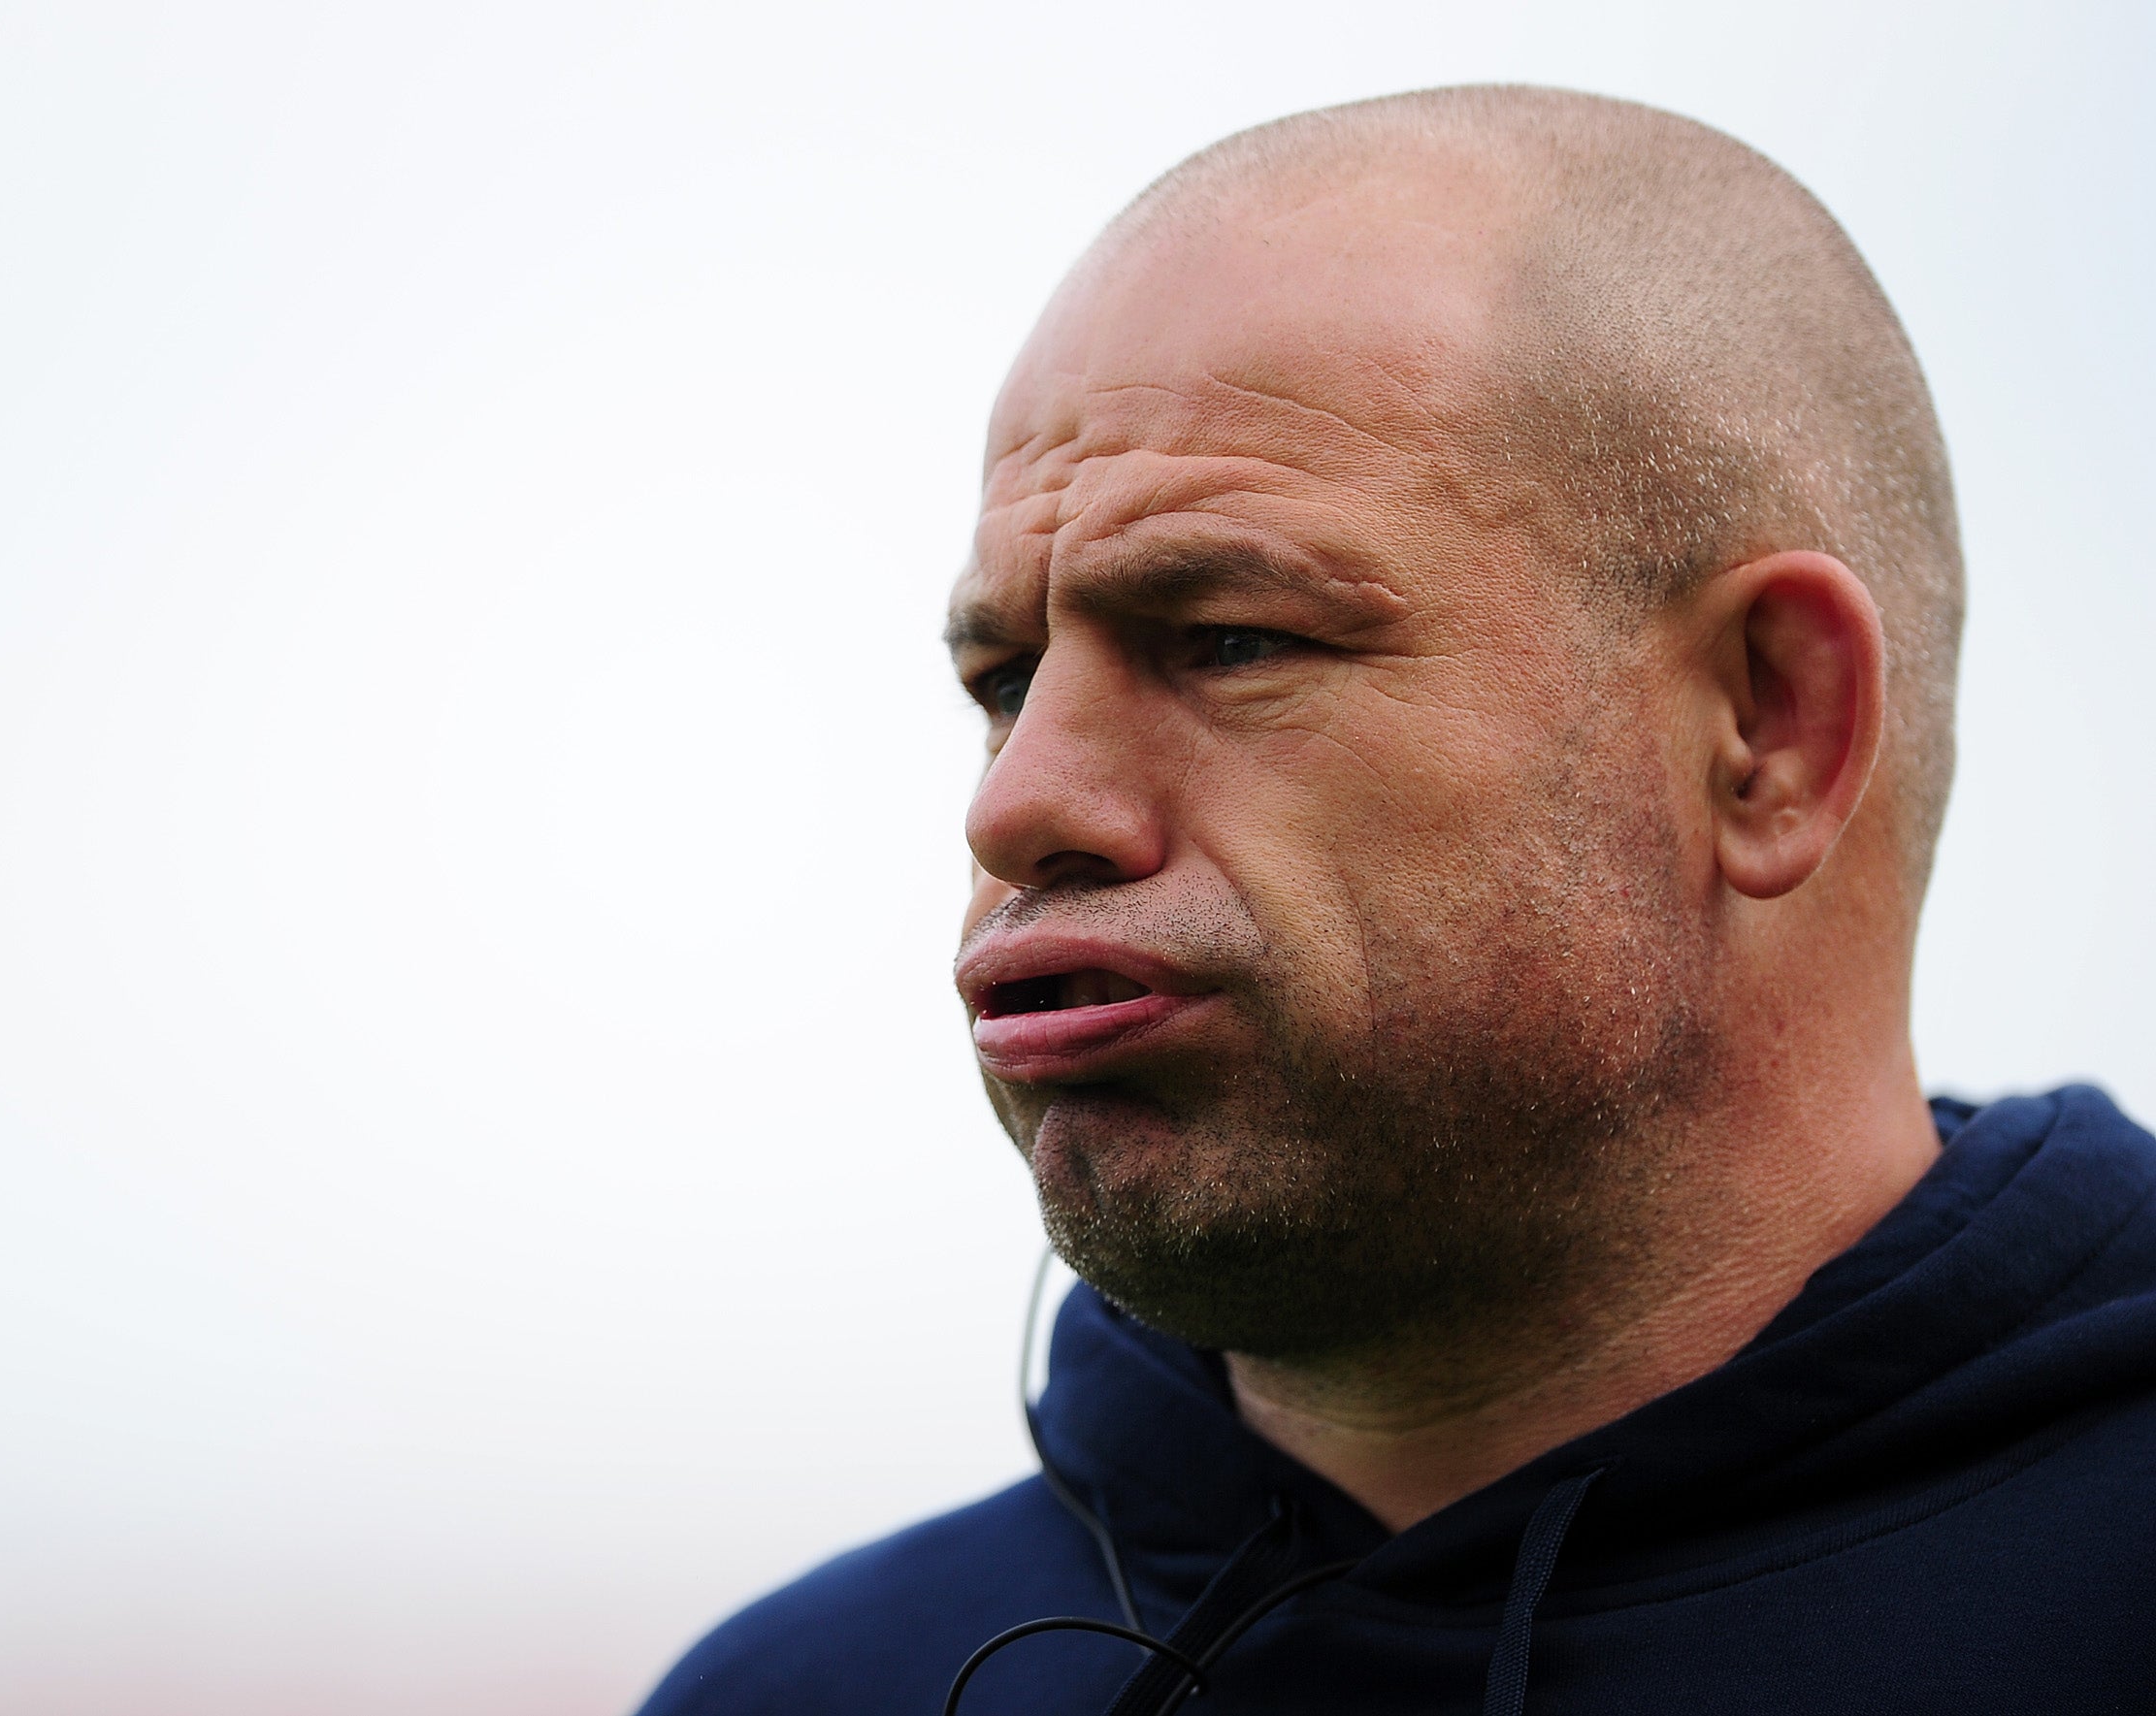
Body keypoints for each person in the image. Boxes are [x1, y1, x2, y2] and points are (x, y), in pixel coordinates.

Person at [635, 85, 2156, 1715]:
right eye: (1007, 680)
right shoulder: (810, 1687)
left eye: (1230, 637)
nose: (1017, 800)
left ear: (1768, 728)